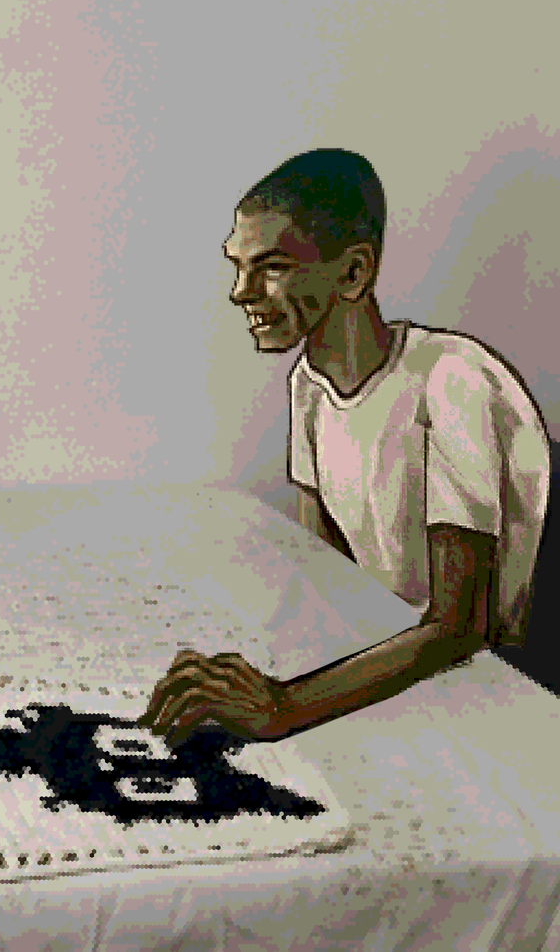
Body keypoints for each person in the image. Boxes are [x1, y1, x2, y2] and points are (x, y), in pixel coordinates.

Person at [139, 148, 552, 744]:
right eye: (239, 266)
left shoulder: (452, 379)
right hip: (399, 665)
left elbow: (459, 628)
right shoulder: (308, 386)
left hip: (499, 686)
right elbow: (325, 577)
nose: (241, 292)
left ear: (354, 273)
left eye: (272, 267)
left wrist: (283, 705)